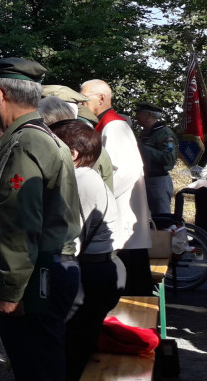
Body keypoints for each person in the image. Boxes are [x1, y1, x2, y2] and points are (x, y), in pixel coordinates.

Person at [0, 58, 81, 381]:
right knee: (46, 363)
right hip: (48, 269)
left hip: (36, 276)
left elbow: (21, 225)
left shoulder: (25, 143)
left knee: (36, 368)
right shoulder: (40, 137)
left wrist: (10, 290)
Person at [49, 119, 124, 381]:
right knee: (82, 343)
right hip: (104, 268)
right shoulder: (88, 176)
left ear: (72, 154)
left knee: (71, 348)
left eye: (53, 145)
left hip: (90, 274)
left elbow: (71, 240)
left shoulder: (78, 181)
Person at [80, 79, 153, 294]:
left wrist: (99, 199)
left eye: (85, 99)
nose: (81, 104)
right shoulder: (105, 125)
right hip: (115, 216)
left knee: (128, 290)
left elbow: (125, 171)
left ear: (101, 98)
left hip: (121, 217)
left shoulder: (114, 126)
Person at [134, 102, 178, 215]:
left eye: (139, 113)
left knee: (162, 220)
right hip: (145, 180)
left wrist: (144, 150)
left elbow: (168, 159)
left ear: (149, 115)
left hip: (158, 182)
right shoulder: (145, 133)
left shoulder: (165, 134)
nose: (136, 117)